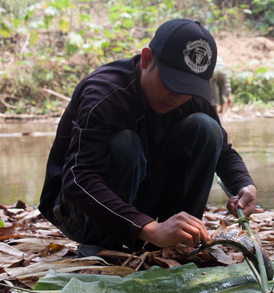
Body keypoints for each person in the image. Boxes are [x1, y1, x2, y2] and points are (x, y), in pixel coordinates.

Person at [39, 19, 257, 257]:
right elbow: (78, 180)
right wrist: (148, 227)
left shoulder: (192, 96)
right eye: (171, 84)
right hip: (78, 210)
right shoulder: (103, 94)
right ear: (146, 59)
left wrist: (244, 184)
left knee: (207, 128)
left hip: (137, 198)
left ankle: (178, 240)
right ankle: (100, 248)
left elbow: (223, 152)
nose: (177, 97)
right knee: (125, 144)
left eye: (188, 89)